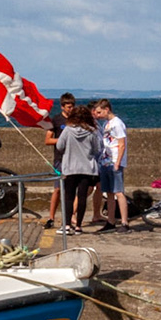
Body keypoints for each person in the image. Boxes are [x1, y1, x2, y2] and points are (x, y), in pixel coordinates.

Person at [54, 105, 99, 236]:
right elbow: (96, 149)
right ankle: (78, 225)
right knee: (82, 197)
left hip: (70, 168)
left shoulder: (68, 130)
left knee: (69, 197)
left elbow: (59, 146)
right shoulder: (92, 131)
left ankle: (67, 225)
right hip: (87, 168)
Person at [42, 92, 78, 228]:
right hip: (60, 158)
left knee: (72, 189)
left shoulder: (76, 120)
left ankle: (70, 216)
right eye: (68, 107)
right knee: (57, 189)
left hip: (74, 158)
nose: (71, 109)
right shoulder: (56, 120)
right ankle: (51, 217)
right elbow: (48, 139)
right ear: (63, 107)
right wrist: (63, 140)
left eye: (72, 106)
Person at [93, 99, 128, 231]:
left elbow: (121, 144)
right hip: (105, 161)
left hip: (114, 161)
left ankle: (124, 222)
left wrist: (118, 162)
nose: (98, 115)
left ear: (106, 109)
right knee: (109, 193)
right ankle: (111, 220)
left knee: (118, 191)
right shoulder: (107, 124)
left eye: (99, 112)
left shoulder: (117, 124)